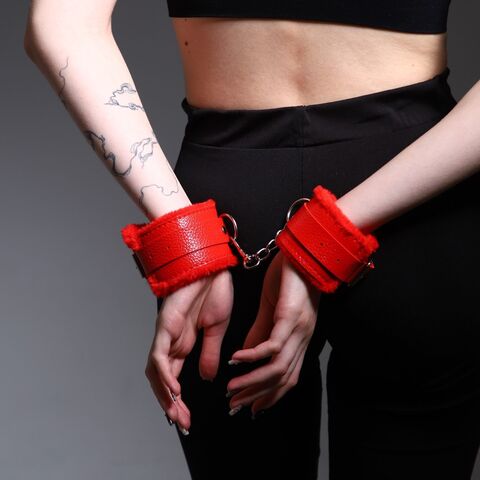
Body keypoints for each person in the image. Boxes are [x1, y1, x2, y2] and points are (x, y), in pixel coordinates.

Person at [24, 0, 480, 479]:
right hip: (413, 198)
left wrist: (185, 237)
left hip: (227, 223)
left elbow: (59, 25)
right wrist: (329, 231)